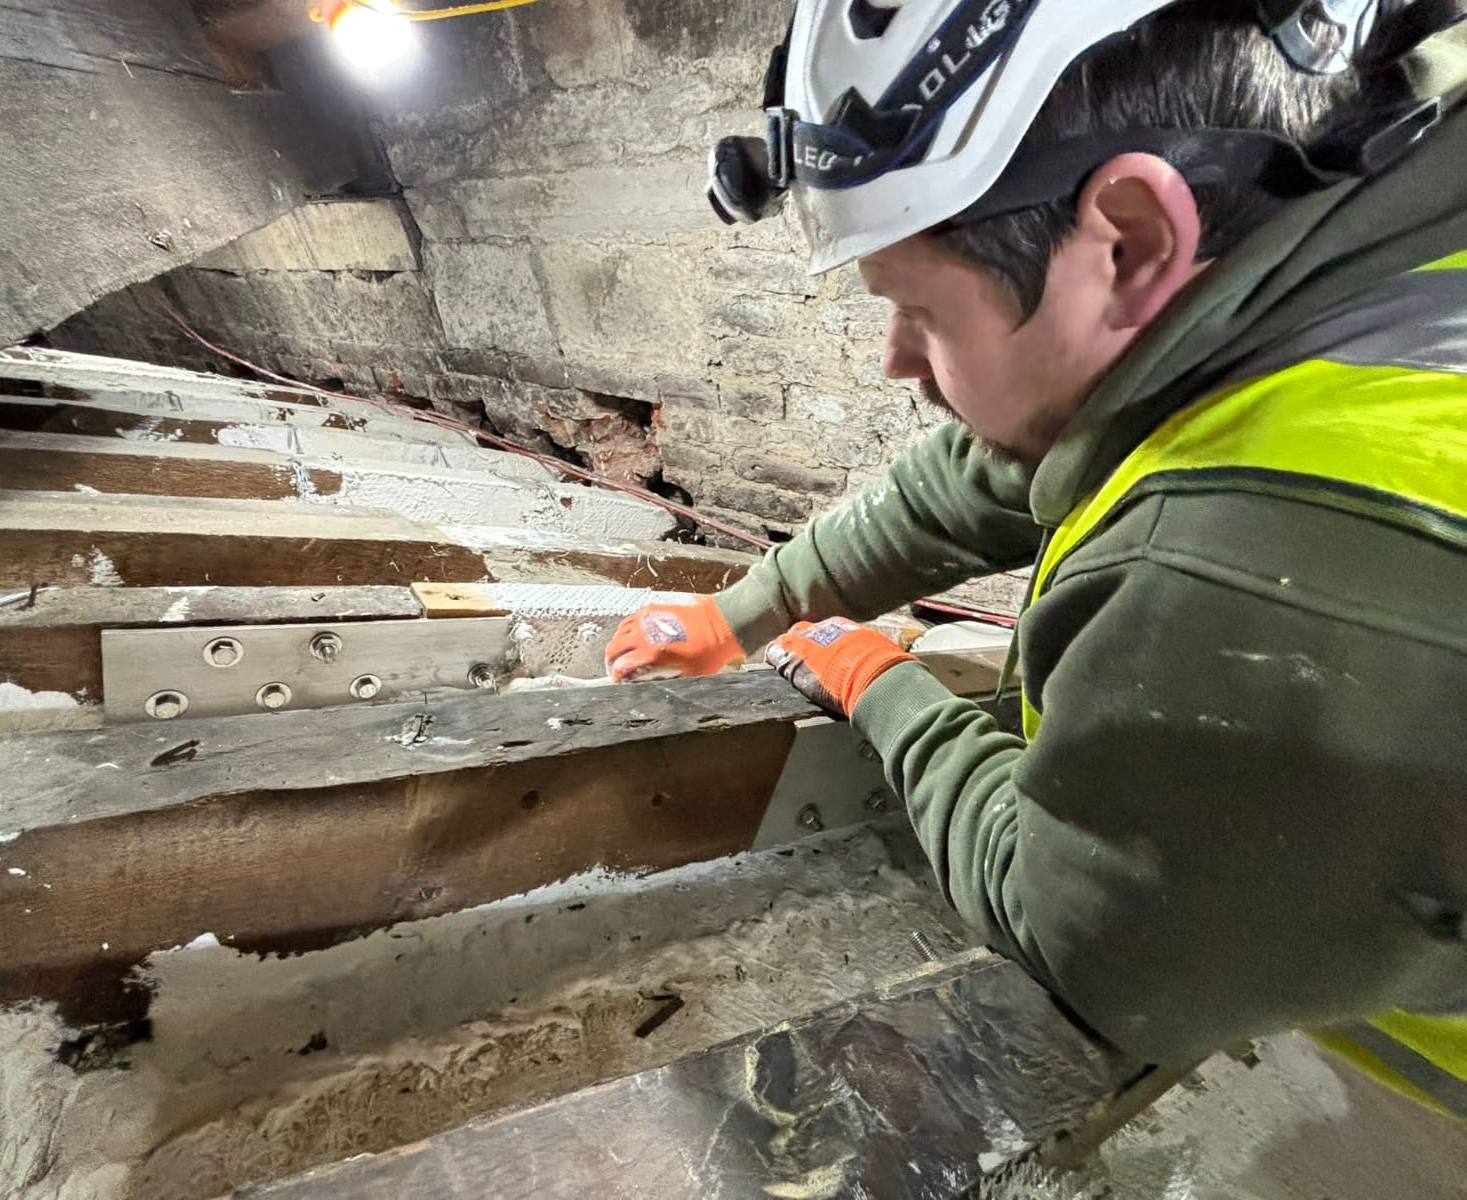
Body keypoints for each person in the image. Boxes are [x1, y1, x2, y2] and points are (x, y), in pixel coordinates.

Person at [605, 0, 1467, 1116]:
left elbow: (1093, 945)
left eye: (916, 311)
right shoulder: (1344, 224)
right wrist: (752, 608)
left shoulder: (1271, 576)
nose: (892, 359)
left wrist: (877, 681)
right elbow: (1007, 463)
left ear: (1129, 239)